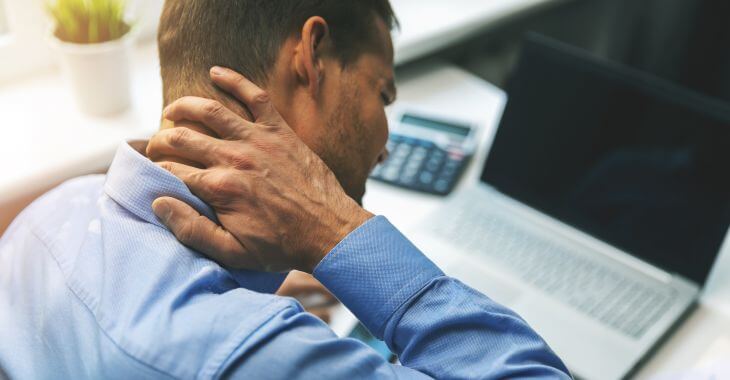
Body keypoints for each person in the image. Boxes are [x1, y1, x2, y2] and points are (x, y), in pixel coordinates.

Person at [0, 0, 571, 378]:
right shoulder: (249, 353)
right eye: (383, 94)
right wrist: (336, 230)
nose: (386, 145)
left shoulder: (43, 220)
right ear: (311, 56)